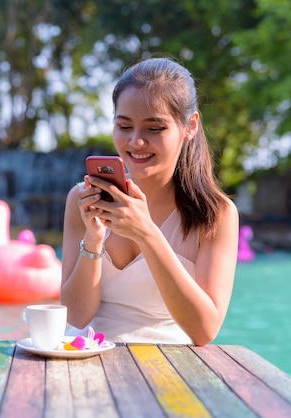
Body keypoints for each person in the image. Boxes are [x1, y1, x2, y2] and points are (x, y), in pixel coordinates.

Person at [60, 57, 239, 346]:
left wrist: (146, 233)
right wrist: (93, 241)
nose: (136, 142)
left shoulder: (215, 214)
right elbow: (76, 317)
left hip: (168, 368)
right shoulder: (81, 198)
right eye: (124, 126)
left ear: (190, 126)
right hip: (85, 356)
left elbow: (204, 331)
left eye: (154, 129)